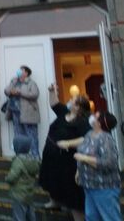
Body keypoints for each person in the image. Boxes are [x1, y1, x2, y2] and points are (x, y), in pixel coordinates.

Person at [39, 84, 91, 220]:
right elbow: (54, 104)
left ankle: (78, 216)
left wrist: (68, 143)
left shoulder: (82, 121)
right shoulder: (64, 113)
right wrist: (51, 91)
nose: (69, 102)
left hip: (67, 160)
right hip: (51, 155)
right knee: (51, 179)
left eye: (72, 101)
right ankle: (54, 201)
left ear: (78, 107)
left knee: (71, 190)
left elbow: (86, 138)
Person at [74, 111, 121, 221]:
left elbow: (109, 163)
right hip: (89, 185)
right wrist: (78, 171)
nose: (92, 116)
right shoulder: (90, 134)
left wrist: (84, 158)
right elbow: (83, 151)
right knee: (91, 217)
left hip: (104, 188)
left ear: (99, 123)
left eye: (95, 116)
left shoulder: (106, 139)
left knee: (110, 217)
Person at [4, 66, 40, 158]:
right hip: (15, 113)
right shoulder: (14, 81)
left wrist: (19, 92)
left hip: (28, 113)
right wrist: (13, 83)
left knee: (31, 135)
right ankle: (21, 157)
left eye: (22, 70)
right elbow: (7, 91)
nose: (19, 71)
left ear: (26, 73)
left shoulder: (31, 83)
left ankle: (35, 157)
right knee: (18, 135)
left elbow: (35, 94)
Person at [5, 135, 40, 221]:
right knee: (30, 215)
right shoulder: (32, 160)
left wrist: (7, 178)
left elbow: (12, 176)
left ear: (18, 147)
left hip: (19, 195)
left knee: (19, 217)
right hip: (29, 194)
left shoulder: (18, 161)